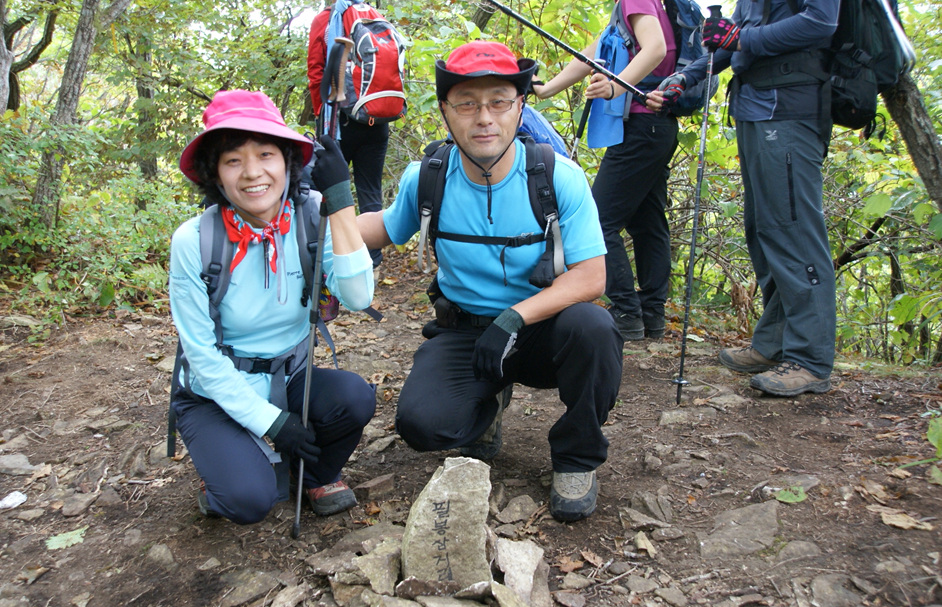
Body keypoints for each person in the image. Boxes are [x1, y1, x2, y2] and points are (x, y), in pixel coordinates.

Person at [357, 41, 623, 522]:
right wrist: (311, 220)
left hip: (543, 328)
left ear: (520, 107)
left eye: (499, 101)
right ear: (445, 112)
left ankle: (576, 457)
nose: (484, 117)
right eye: (467, 103)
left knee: (594, 329)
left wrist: (515, 317)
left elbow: (591, 277)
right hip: (464, 330)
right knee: (423, 426)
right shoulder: (430, 176)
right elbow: (380, 228)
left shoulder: (556, 176)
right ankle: (486, 406)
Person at [169, 90, 376, 523]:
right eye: (233, 161)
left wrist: (339, 199)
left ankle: (314, 475)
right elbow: (202, 357)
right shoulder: (195, 241)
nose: (252, 173)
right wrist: (272, 424)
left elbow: (359, 298)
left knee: (354, 397)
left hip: (291, 374)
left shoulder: (313, 217)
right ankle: (228, 465)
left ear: (287, 161)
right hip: (214, 393)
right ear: (216, 174)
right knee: (248, 502)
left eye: (265, 154)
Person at [654, 0, 838, 396]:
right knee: (765, 230)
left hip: (790, 109)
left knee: (794, 231)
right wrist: (686, 77)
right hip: (756, 109)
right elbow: (732, 40)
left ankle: (810, 360)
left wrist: (742, 37)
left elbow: (822, 22)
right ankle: (774, 343)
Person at [534, 0, 677, 341]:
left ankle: (627, 311)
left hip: (640, 127)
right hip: (656, 128)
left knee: (596, 219)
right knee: (648, 221)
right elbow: (595, 52)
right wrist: (547, 88)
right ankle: (651, 314)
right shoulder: (640, 8)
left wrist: (617, 86)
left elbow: (655, 48)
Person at [308, 2, 389, 269]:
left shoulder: (324, 20)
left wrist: (323, 117)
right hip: (375, 118)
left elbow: (316, 71)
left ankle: (331, 259)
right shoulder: (373, 16)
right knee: (370, 190)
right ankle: (373, 263)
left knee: (329, 190)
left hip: (339, 122)